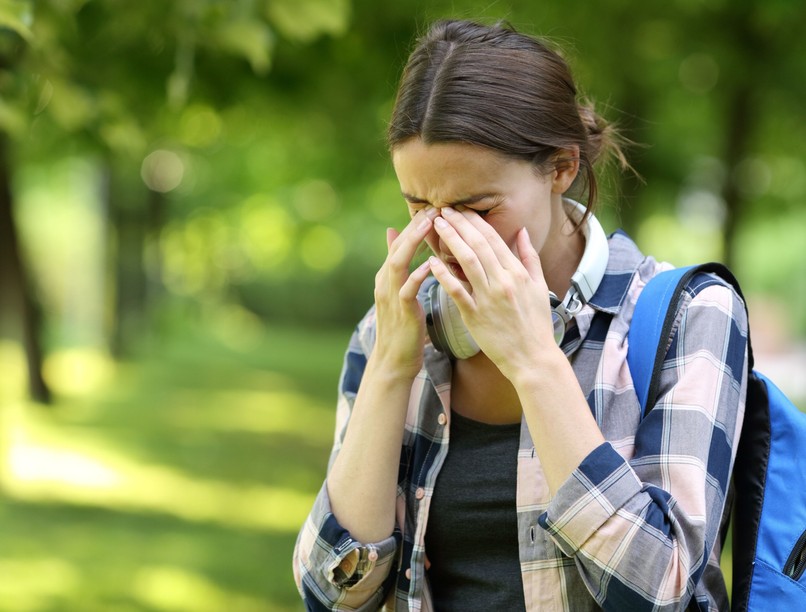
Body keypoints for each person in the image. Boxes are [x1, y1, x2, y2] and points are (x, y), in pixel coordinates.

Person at [293, 19, 747, 612]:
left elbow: (664, 594)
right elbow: (330, 594)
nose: (445, 236)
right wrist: (387, 370)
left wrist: (535, 360)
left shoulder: (691, 317)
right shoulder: (394, 331)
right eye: (417, 206)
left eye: (475, 207)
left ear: (561, 167)